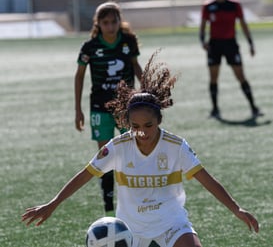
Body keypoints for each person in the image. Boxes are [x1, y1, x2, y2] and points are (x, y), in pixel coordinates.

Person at [22, 52, 259, 247]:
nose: (142, 132)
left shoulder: (176, 146)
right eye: (135, 126)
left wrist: (236, 208)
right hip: (129, 228)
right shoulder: (118, 146)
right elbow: (86, 174)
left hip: (171, 223)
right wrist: (53, 203)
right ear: (127, 123)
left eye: (148, 125)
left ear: (159, 121)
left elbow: (207, 180)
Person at [75, 1, 142, 216]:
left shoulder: (128, 41)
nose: (111, 26)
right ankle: (108, 207)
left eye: (114, 22)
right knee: (105, 156)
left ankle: (135, 201)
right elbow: (79, 77)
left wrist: (147, 91)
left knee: (132, 152)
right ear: (99, 24)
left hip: (126, 107)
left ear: (119, 21)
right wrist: (78, 109)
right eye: (106, 23)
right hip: (99, 107)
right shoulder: (90, 47)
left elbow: (136, 66)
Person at [199, 0, 262, 119]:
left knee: (240, 75)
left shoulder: (234, 4)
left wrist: (250, 43)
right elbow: (202, 27)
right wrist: (202, 41)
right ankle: (215, 110)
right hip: (214, 45)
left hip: (231, 45)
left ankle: (254, 108)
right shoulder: (208, 6)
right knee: (213, 77)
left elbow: (243, 24)